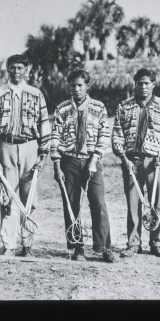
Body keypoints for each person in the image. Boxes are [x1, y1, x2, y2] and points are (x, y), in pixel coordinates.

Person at [0, 54, 51, 258]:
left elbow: (44, 124)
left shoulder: (36, 94)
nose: (16, 71)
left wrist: (43, 154)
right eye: (12, 67)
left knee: (29, 199)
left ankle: (27, 246)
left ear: (26, 69)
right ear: (7, 69)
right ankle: (9, 245)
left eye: (20, 68)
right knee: (7, 199)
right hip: (6, 147)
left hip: (30, 147)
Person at [112, 68, 160, 259]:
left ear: (153, 85)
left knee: (157, 204)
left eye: (147, 83)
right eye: (140, 83)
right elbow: (117, 134)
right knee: (133, 203)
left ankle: (155, 242)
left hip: (156, 162)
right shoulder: (124, 106)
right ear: (135, 84)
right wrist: (124, 158)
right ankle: (133, 243)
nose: (143, 86)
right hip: (132, 161)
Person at [51, 70, 115, 263]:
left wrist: (94, 159)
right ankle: (77, 247)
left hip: (91, 162)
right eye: (73, 85)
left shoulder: (99, 107)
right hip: (68, 161)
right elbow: (55, 137)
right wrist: (56, 165)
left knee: (98, 203)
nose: (76, 89)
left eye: (80, 85)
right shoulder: (61, 109)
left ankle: (104, 247)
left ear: (87, 86)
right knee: (72, 205)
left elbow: (104, 135)